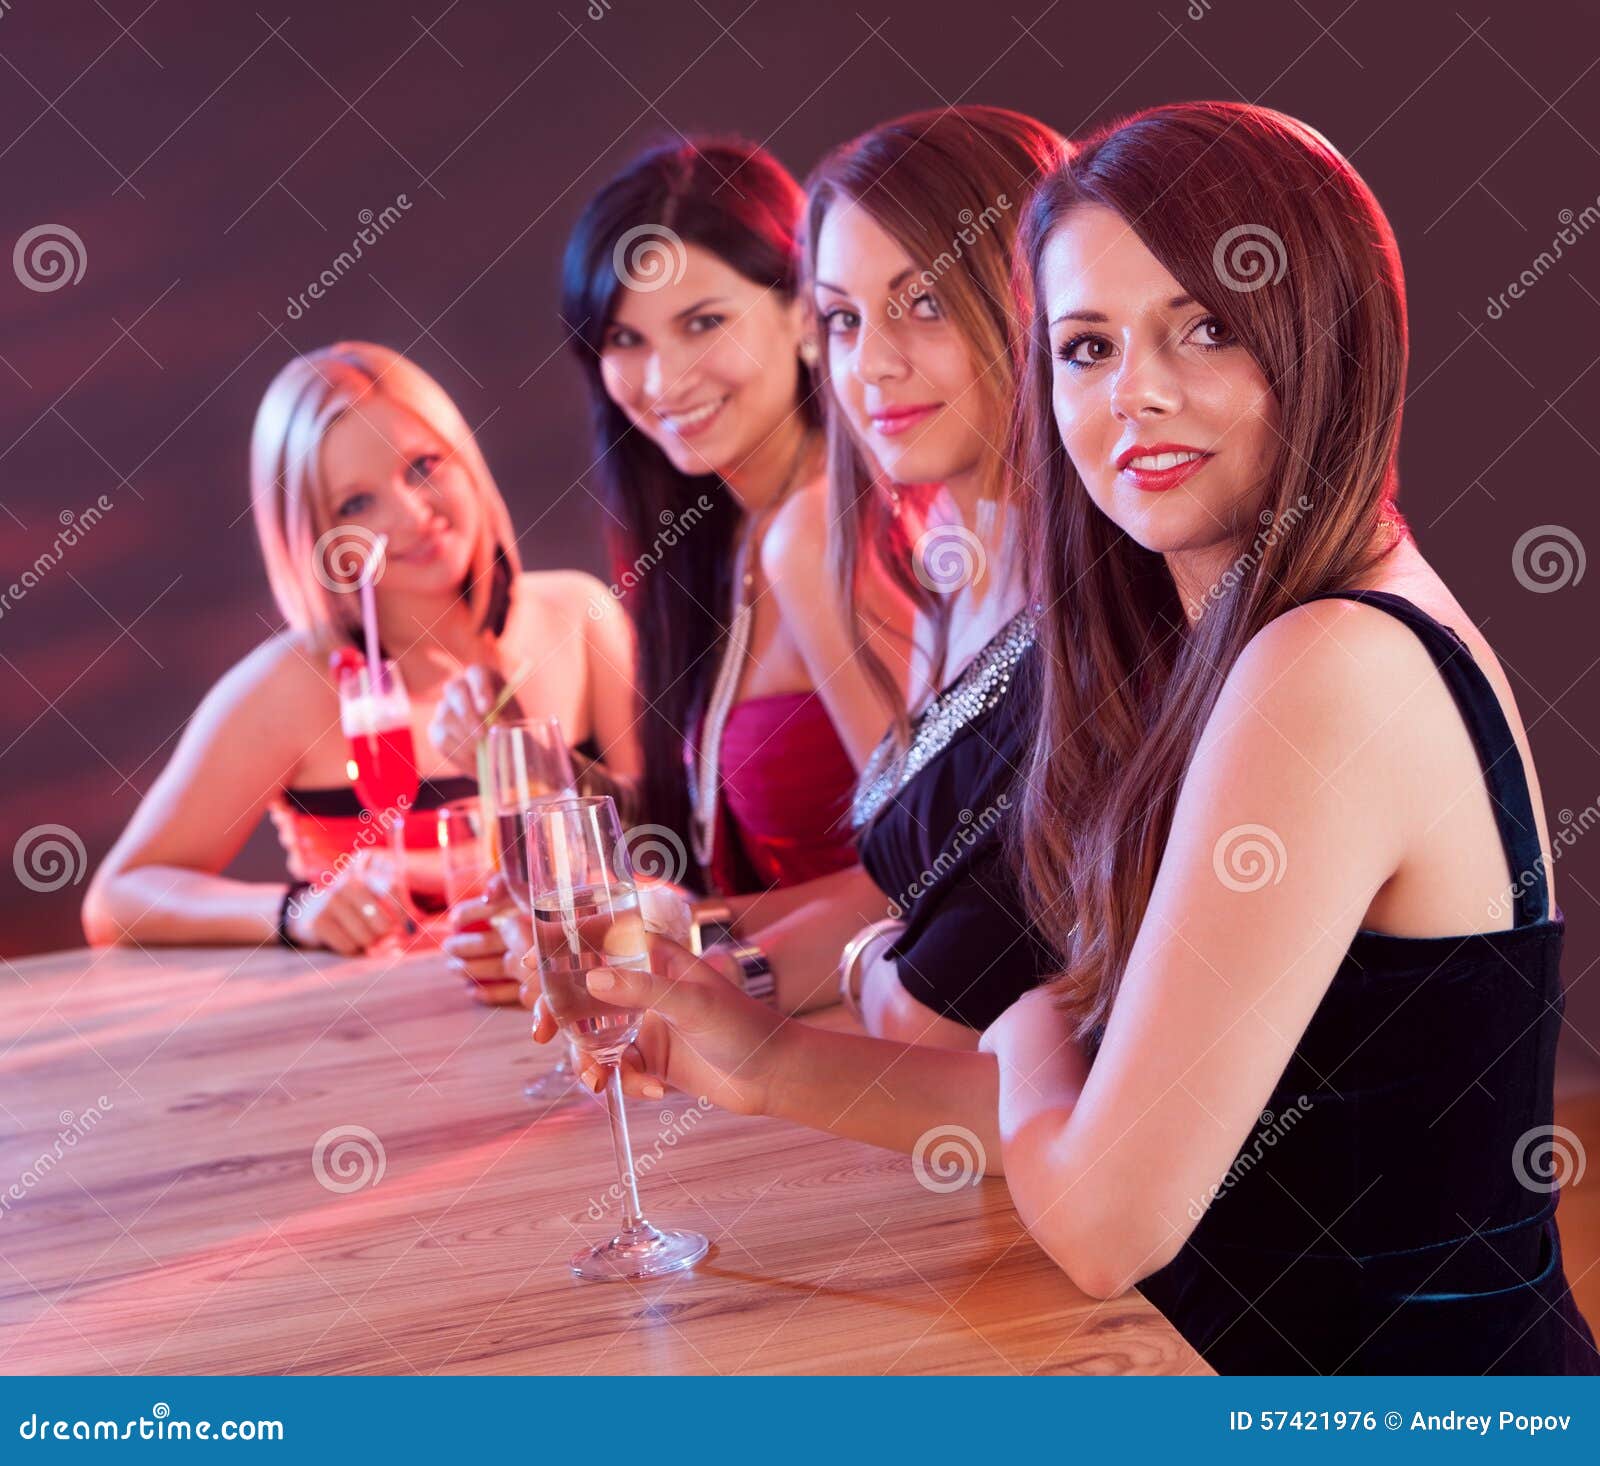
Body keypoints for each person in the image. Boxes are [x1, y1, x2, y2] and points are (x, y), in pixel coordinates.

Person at [537, 103, 1600, 1374]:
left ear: (1334, 330)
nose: (1134, 394)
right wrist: (757, 1056)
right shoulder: (1252, 641)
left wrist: (1035, 1024)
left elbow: (1102, 1219)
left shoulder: (1328, 667)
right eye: (1087, 346)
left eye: (1204, 326)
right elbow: (1102, 1125)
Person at [684, 107, 1067, 1047]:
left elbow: (955, 1011)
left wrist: (867, 971)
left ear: (1038, 299)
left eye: (924, 301)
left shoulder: (1100, 612)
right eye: (846, 318)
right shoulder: (947, 579)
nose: (872, 364)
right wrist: (716, 967)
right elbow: (912, 898)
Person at [82, 341, 638, 988]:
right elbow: (118, 901)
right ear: (314, 536)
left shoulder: (578, 616)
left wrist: (528, 767)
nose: (410, 515)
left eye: (424, 465)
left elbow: (669, 851)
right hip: (384, 1042)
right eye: (355, 505)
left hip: (587, 1015)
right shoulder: (290, 685)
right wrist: (297, 910)